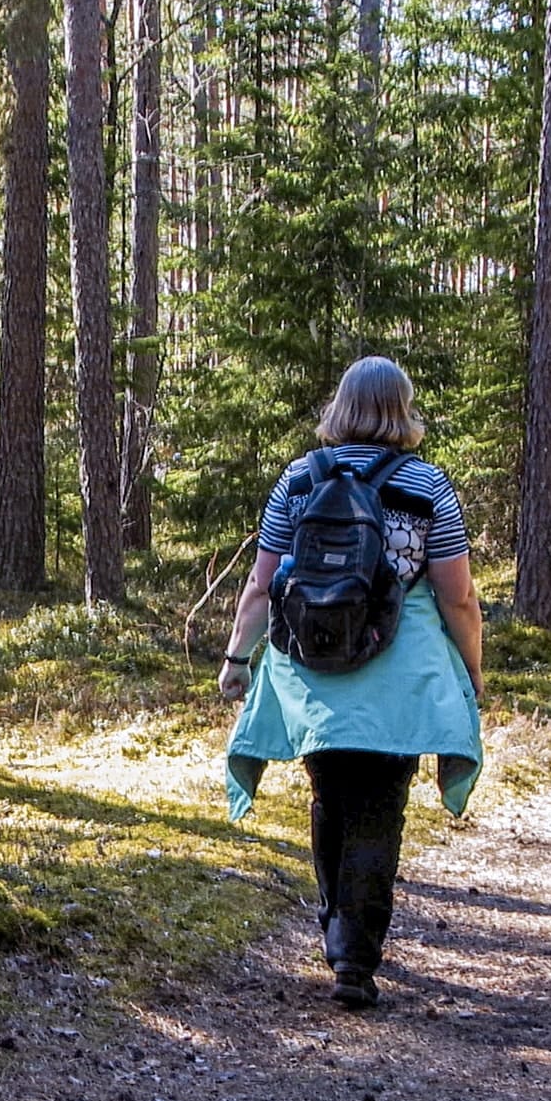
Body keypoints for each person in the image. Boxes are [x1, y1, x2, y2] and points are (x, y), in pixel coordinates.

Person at [217, 356, 487, 1009]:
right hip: (400, 674)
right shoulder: (427, 485)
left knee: (329, 793)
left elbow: (263, 582)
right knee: (379, 806)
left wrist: (238, 658)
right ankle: (355, 959)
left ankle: (337, 927)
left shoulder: (300, 479)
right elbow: (457, 598)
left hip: (311, 664)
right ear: (403, 408)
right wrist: (471, 672)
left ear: (341, 406)